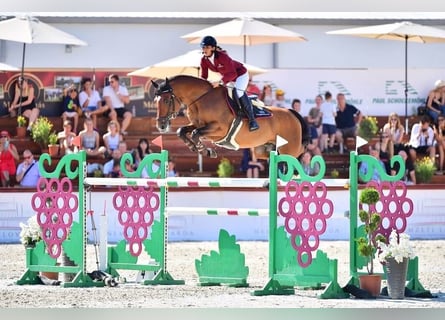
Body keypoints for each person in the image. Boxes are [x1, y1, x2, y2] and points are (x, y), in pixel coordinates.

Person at [199, 35, 259, 131]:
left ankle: (252, 120)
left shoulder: (223, 57)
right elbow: (203, 76)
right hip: (228, 77)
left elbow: (233, 73)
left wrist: (220, 81)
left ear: (213, 48)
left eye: (207, 47)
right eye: (203, 47)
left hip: (240, 75)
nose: (204, 49)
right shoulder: (203, 60)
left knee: (238, 92)